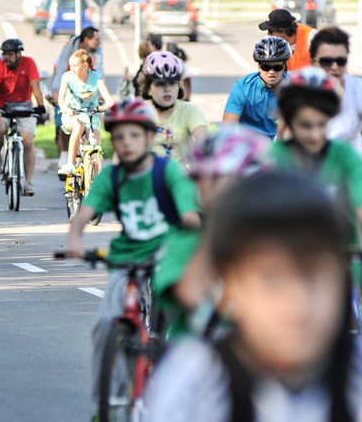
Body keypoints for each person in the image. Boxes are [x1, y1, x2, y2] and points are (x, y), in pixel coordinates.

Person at [146, 171, 362, 421]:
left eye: (312, 274)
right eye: (270, 278)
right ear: (230, 286)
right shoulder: (195, 383)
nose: (296, 302)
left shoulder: (353, 376)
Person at [63, 99, 200, 413]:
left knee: (176, 314)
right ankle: (105, 399)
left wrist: (194, 226)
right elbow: (86, 210)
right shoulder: (111, 176)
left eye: (134, 135)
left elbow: (187, 208)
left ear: (149, 138)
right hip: (127, 255)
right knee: (105, 325)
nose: (126, 143)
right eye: (119, 137)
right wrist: (74, 236)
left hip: (167, 251)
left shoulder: (167, 173)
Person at [153, 126, 271, 339]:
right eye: (201, 181)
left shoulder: (270, 242)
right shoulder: (184, 240)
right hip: (196, 353)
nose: (201, 189)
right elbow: (190, 295)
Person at [271, 68, 362, 252]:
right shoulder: (271, 158)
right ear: (289, 122)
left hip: (340, 258)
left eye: (322, 125)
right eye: (306, 125)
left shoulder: (345, 155)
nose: (316, 135)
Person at [0, 38, 45, 195]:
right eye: (4, 54)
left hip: (24, 108)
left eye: (10, 54)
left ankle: (28, 182)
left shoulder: (28, 63)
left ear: (19, 54)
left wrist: (40, 106)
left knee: (27, 140)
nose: (6, 57)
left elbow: (36, 86)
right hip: (2, 107)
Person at [51, 26, 105, 167]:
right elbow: (62, 67)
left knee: (93, 129)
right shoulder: (70, 47)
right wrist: (56, 90)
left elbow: (99, 70)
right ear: (86, 40)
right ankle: (65, 155)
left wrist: (100, 91)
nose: (99, 43)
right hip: (70, 86)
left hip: (86, 88)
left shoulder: (96, 51)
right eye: (96, 39)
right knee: (65, 118)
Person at [141, 51, 208, 162]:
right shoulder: (139, 113)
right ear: (148, 89)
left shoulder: (190, 111)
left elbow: (204, 142)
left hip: (181, 176)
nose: (167, 89)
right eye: (160, 84)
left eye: (172, 83)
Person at [56, 49, 113, 176]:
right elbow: (61, 98)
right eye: (71, 65)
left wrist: (114, 109)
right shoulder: (67, 77)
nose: (72, 68)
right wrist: (65, 108)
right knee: (78, 126)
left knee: (95, 145)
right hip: (72, 115)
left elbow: (108, 98)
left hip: (91, 115)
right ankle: (70, 164)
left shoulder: (96, 78)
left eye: (75, 65)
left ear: (85, 65)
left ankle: (94, 177)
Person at [223, 36, 290, 139]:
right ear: (259, 66)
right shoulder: (242, 87)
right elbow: (227, 130)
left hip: (282, 144)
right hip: (250, 146)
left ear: (285, 67)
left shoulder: (294, 87)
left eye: (277, 67)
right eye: (266, 67)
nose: (272, 72)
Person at [309, 26, 362, 153]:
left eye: (341, 61)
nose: (334, 67)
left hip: (350, 167)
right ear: (312, 62)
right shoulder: (299, 91)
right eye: (326, 61)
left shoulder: (357, 87)